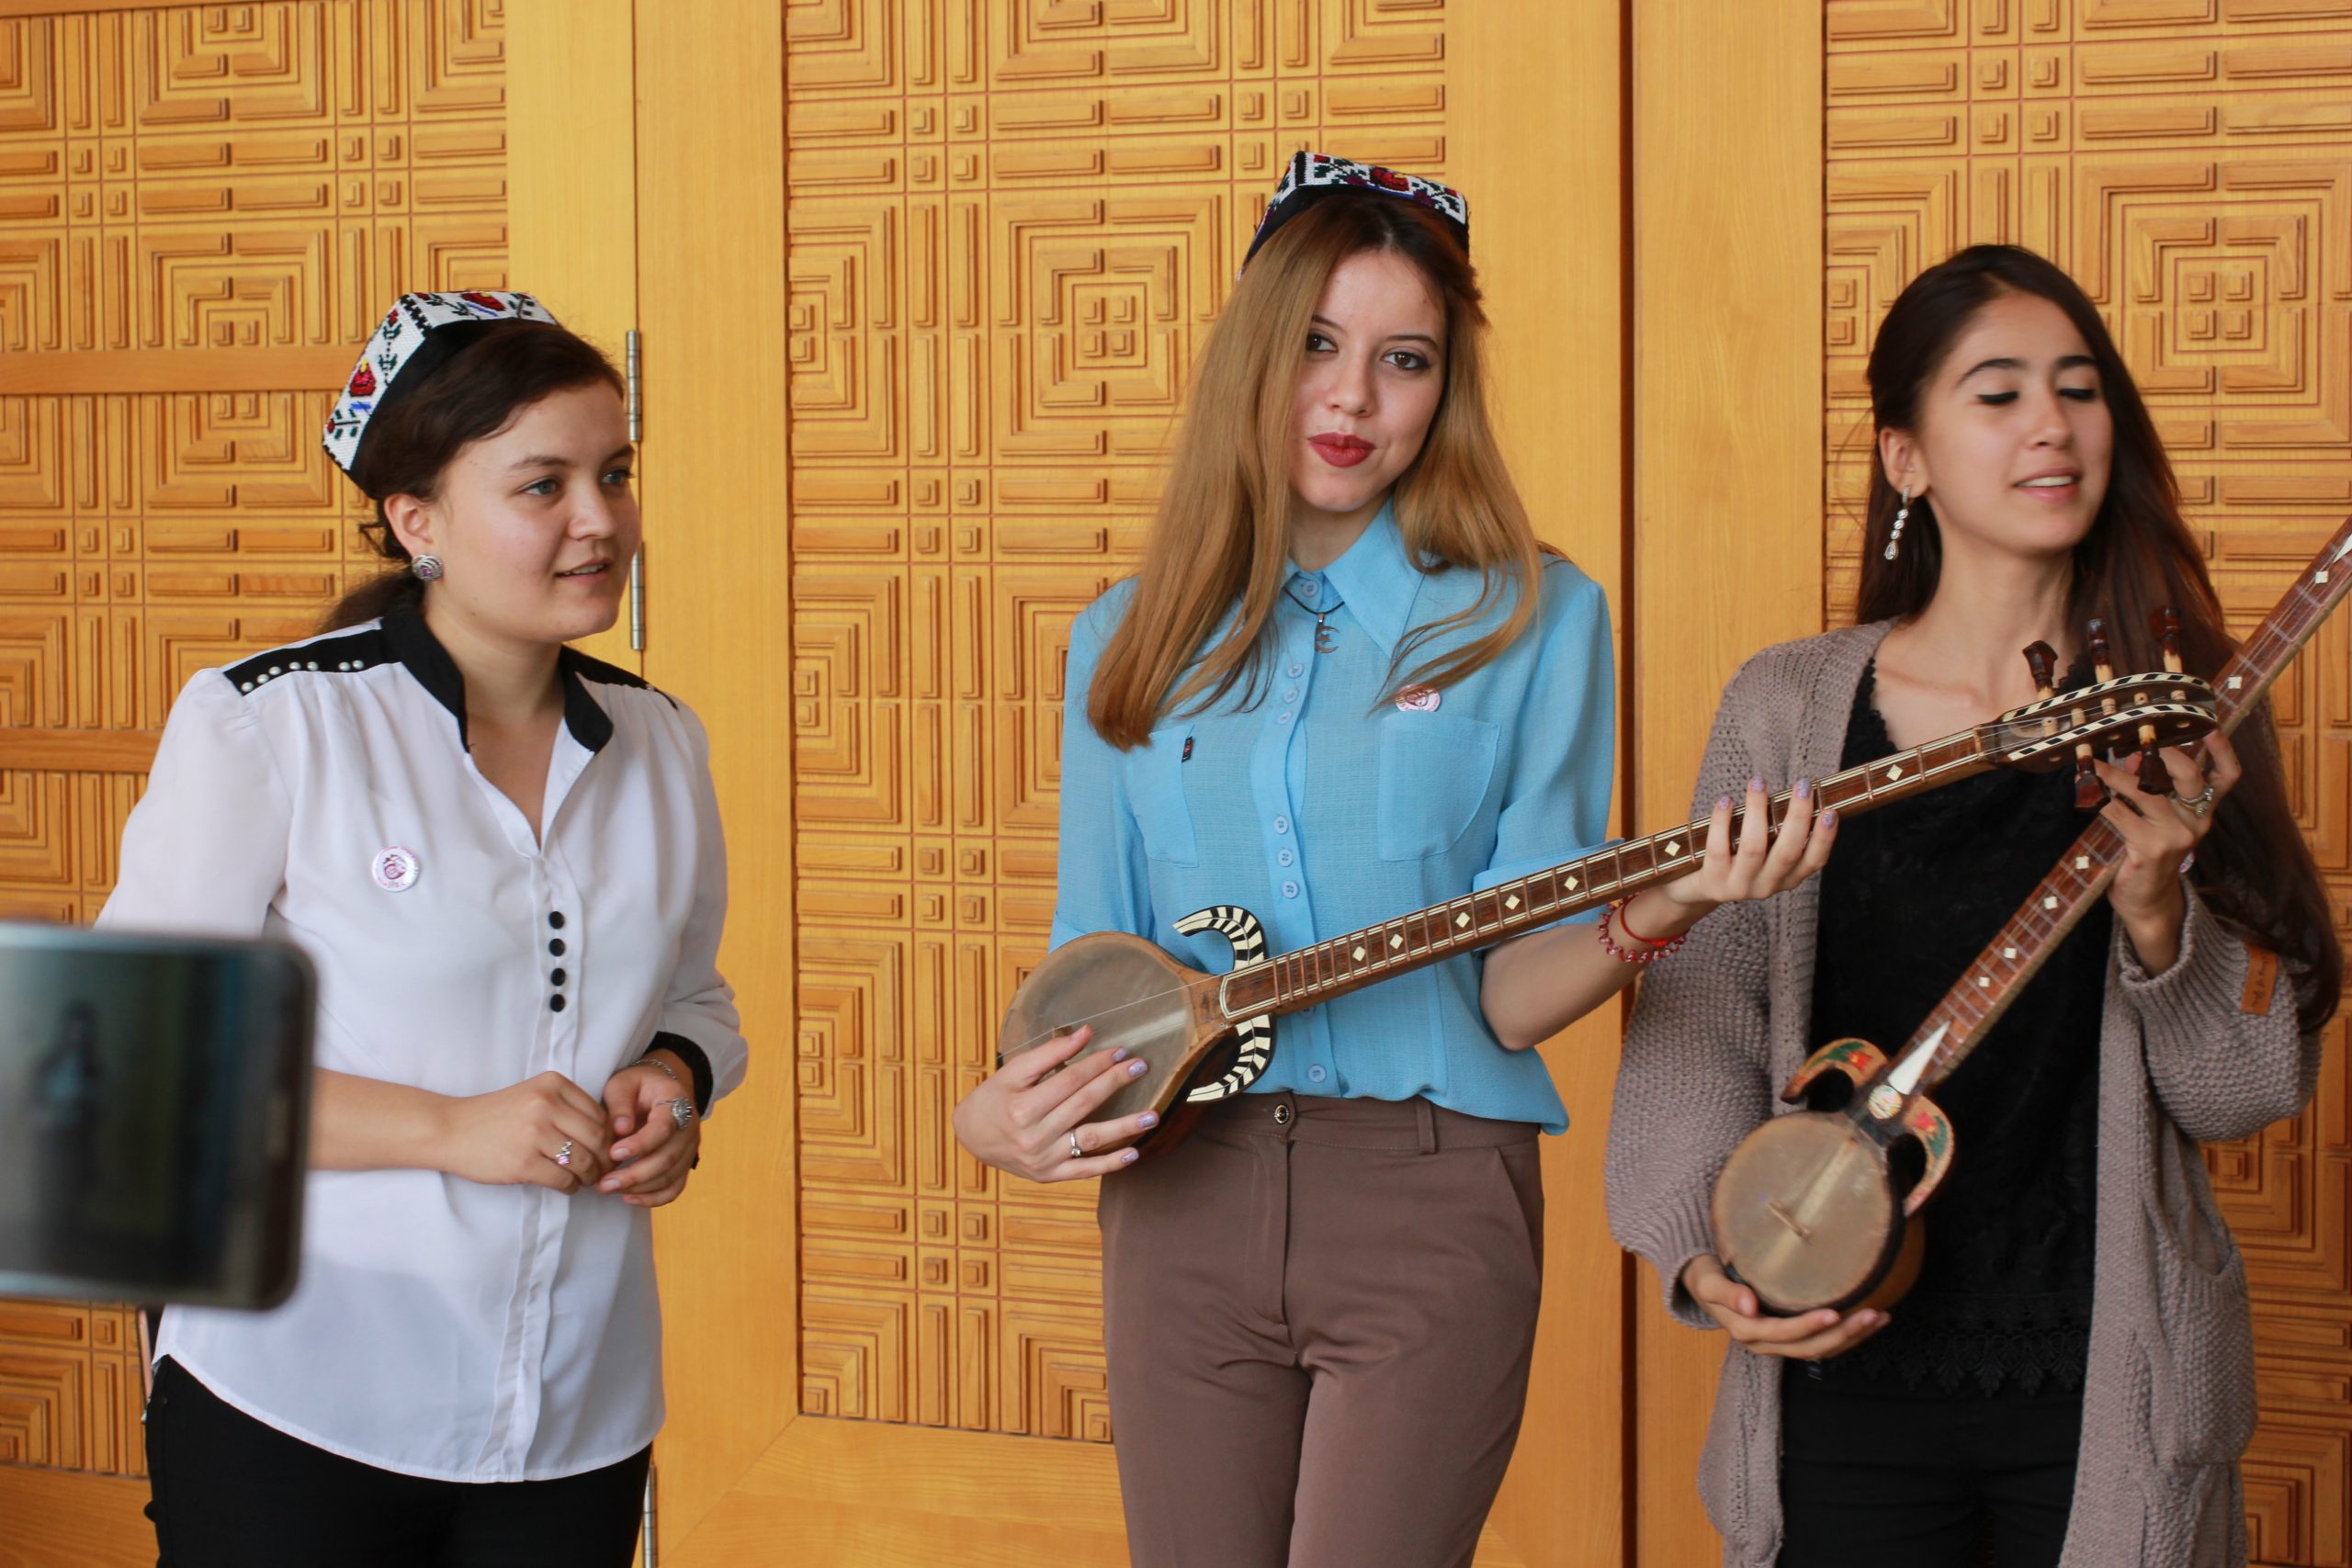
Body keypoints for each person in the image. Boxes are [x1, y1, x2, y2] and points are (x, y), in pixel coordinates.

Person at [952, 152, 1830, 1568]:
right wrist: (994, 1114)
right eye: (1317, 344)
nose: (1353, 398)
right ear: (1254, 355)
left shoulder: (1536, 620)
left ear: (1445, 387)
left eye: (1403, 360)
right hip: (1181, 1209)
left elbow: (1509, 994)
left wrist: (1667, 899)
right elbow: (1093, 975)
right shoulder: (1124, 637)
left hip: (1431, 1199)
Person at [1605, 244, 2341, 1568]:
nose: (2051, 424)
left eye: (2079, 389)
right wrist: (1704, 1253)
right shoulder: (1789, 707)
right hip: (1838, 1367)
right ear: (1907, 458)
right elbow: (1707, 1012)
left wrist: (2162, 916)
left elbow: (2241, 1092)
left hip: (2104, 1378)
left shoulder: (2182, 704)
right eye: (1998, 395)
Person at [97, 291, 747, 1568]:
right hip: (298, 1396)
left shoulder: (663, 743)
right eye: (542, 485)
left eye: (614, 474)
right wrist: (449, 1130)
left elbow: (697, 999)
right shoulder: (272, 724)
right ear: (418, 520)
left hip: (574, 1409)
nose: (599, 519)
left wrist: (674, 1082)